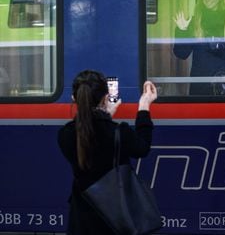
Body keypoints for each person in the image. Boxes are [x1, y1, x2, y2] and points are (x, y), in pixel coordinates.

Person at [58, 70, 157, 235]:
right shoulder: (119, 132)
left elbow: (90, 134)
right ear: (105, 98)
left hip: (81, 221)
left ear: (74, 98)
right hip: (115, 219)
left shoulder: (65, 135)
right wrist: (144, 107)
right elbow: (142, 148)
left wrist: (105, 116)